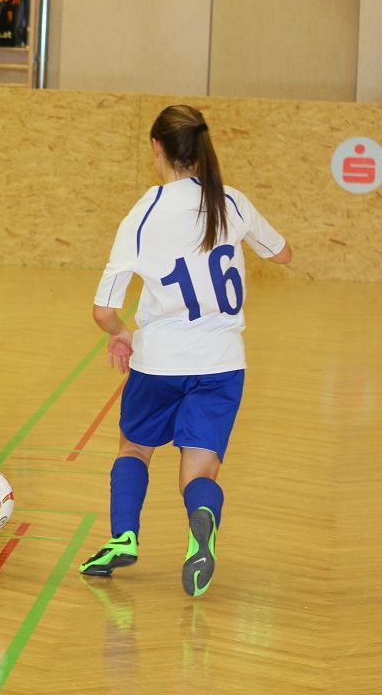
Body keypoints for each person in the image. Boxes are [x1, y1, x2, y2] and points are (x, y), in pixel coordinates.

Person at [78, 104, 291, 597]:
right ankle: (202, 518)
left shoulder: (146, 212)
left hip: (160, 362)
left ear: (157, 148)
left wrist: (122, 333)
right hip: (222, 363)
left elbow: (103, 311)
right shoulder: (230, 201)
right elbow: (282, 253)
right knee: (199, 470)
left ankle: (124, 536)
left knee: (135, 448)